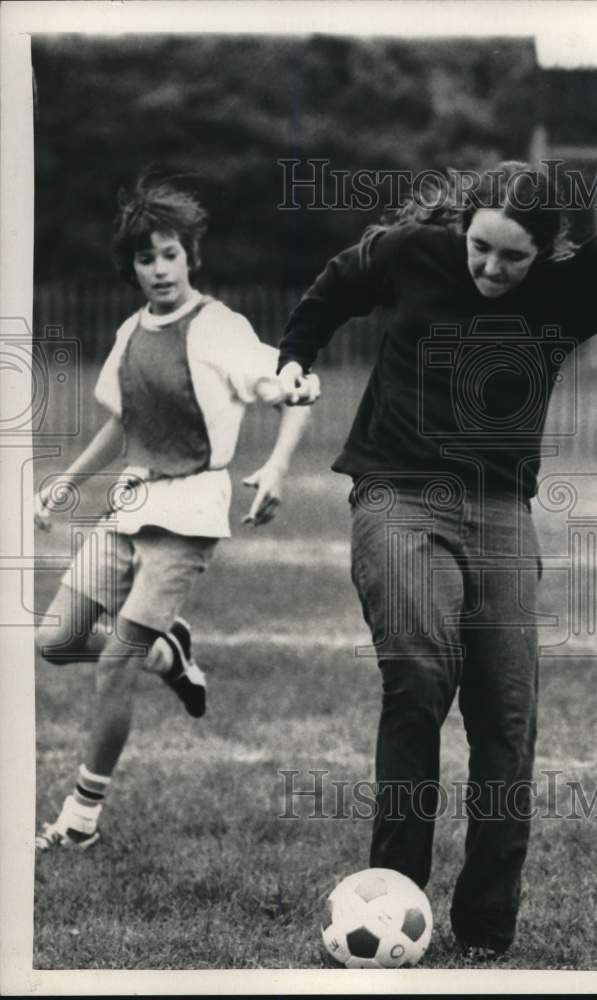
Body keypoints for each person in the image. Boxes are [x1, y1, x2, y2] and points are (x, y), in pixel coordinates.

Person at [277, 94, 597, 958]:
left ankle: (485, 934)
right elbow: (335, 285)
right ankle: (392, 894)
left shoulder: (562, 295)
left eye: (510, 258)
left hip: (497, 513)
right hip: (397, 493)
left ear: (544, 254)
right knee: (417, 671)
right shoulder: (414, 252)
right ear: (463, 226)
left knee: (507, 716)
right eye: (480, 246)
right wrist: (295, 359)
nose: (489, 266)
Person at [34, 173, 316, 852]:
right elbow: (120, 422)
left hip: (189, 515)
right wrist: (66, 483)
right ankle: (170, 654)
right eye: (144, 257)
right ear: (129, 266)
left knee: (115, 662)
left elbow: (299, 390)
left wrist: (275, 467)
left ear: (192, 254)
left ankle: (81, 818)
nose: (158, 269)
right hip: (132, 501)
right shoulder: (132, 330)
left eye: (169, 254)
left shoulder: (220, 327)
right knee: (57, 640)